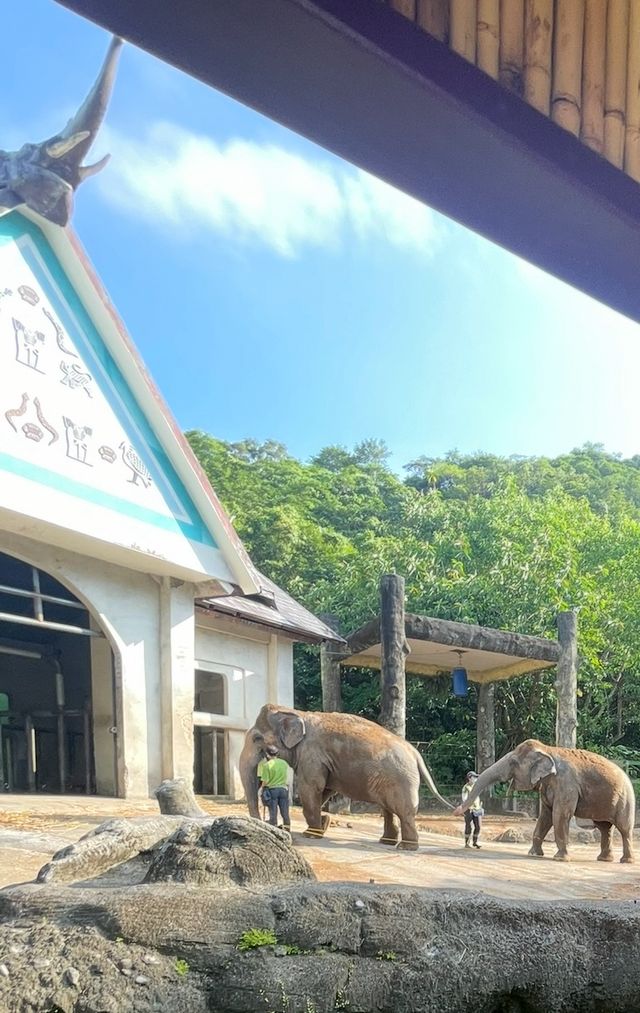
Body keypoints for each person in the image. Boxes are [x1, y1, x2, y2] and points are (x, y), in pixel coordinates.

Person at [257, 751, 291, 831]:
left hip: (272, 790)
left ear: (268, 755)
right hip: (283, 789)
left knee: (273, 810)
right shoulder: (284, 763)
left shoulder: (267, 765)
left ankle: (273, 827)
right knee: (285, 811)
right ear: (277, 754)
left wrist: (261, 789)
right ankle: (287, 828)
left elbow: (265, 781)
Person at [461, 770, 483, 849]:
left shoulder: (476, 786)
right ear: (469, 778)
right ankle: (467, 842)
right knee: (469, 826)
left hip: (477, 808)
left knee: (478, 826)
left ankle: (475, 841)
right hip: (469, 809)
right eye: (474, 777)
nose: (476, 779)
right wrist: (467, 806)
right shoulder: (466, 787)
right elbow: (464, 798)